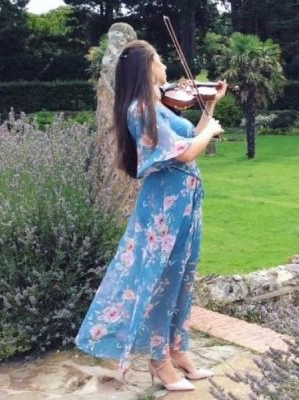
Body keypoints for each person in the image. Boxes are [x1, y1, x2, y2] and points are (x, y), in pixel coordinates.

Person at [74, 39, 226, 393]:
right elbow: (185, 152)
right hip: (163, 208)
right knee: (161, 280)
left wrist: (210, 107)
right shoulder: (139, 109)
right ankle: (158, 361)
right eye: (159, 58)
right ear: (146, 66)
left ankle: (178, 350)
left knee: (184, 277)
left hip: (186, 202)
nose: (165, 64)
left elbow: (191, 136)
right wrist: (210, 131)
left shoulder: (158, 105)